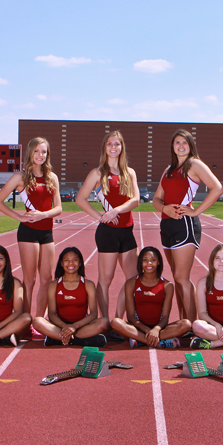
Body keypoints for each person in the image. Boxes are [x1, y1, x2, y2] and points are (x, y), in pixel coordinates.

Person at [152, 129, 223, 321]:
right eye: (177, 142)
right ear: (172, 146)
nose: (181, 146)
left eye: (185, 142)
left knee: (182, 278)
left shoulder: (195, 165)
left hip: (184, 225)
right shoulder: (168, 170)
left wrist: (196, 211)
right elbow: (156, 199)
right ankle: (184, 321)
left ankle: (193, 326)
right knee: (176, 278)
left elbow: (217, 188)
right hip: (167, 225)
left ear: (191, 146)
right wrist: (164, 208)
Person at [0, 137, 62, 323]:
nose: (40, 155)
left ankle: (39, 320)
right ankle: (25, 321)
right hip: (28, 232)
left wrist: (43, 214)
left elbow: (58, 208)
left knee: (47, 279)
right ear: (30, 153)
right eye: (37, 151)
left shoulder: (52, 177)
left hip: (47, 232)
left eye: (44, 152)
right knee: (29, 280)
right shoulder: (20, 177)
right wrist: (19, 217)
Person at [75, 131, 140, 321]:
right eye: (110, 144)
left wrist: (115, 211)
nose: (113, 147)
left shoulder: (130, 172)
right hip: (108, 233)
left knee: (133, 280)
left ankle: (120, 318)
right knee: (105, 280)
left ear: (122, 147)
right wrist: (100, 216)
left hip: (127, 231)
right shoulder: (97, 173)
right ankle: (104, 320)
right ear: (105, 147)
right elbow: (81, 199)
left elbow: (135, 200)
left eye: (117, 144)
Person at [109, 246, 191, 348]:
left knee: (186, 324)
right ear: (140, 262)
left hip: (160, 329)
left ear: (158, 262)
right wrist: (147, 330)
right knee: (116, 323)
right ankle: (159, 342)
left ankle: (140, 340)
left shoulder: (167, 285)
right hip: (138, 328)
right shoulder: (131, 283)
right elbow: (130, 316)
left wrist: (156, 329)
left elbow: (165, 317)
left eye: (153, 260)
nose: (149, 263)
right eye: (145, 260)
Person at [31, 247, 109, 347]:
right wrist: (65, 327)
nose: (70, 263)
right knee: (37, 321)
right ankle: (79, 340)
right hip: (60, 326)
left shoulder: (88, 284)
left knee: (104, 322)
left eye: (74, 260)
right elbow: (51, 314)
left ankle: (58, 339)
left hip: (81, 326)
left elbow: (93, 314)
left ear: (80, 263)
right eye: (66, 260)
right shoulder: (53, 285)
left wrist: (74, 327)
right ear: (62, 263)